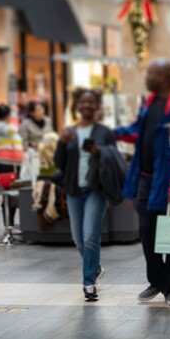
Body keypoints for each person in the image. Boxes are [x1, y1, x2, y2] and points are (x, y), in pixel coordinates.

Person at [117, 59, 170, 307]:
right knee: (147, 230)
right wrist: (113, 133)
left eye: (152, 73)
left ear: (166, 76)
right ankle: (156, 281)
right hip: (145, 178)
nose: (147, 77)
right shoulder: (151, 101)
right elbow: (138, 131)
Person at [55, 89, 117, 302]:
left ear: (97, 106)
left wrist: (101, 152)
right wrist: (62, 143)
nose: (87, 106)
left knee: (90, 237)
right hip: (73, 190)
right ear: (77, 106)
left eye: (91, 102)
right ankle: (95, 266)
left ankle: (89, 283)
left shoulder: (103, 132)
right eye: (83, 102)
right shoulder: (69, 132)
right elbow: (58, 163)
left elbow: (114, 157)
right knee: (78, 240)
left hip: (96, 190)